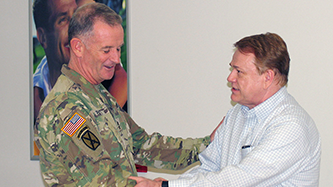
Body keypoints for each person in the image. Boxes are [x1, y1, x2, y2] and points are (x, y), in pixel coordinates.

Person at [34, 3, 221, 186]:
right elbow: (103, 181)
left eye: (118, 48)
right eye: (106, 50)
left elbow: (143, 146)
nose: (116, 59)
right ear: (78, 47)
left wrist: (207, 145)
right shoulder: (66, 106)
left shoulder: (97, 94)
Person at [129, 33, 321, 186]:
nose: (230, 78)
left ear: (267, 77)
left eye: (239, 72)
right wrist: (175, 184)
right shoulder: (238, 113)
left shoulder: (291, 126)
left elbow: (237, 180)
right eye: (232, 69)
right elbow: (209, 168)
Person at [32, 0, 127, 122]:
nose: (75, 29)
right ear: (43, 37)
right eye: (63, 20)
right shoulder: (34, 95)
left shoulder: (111, 75)